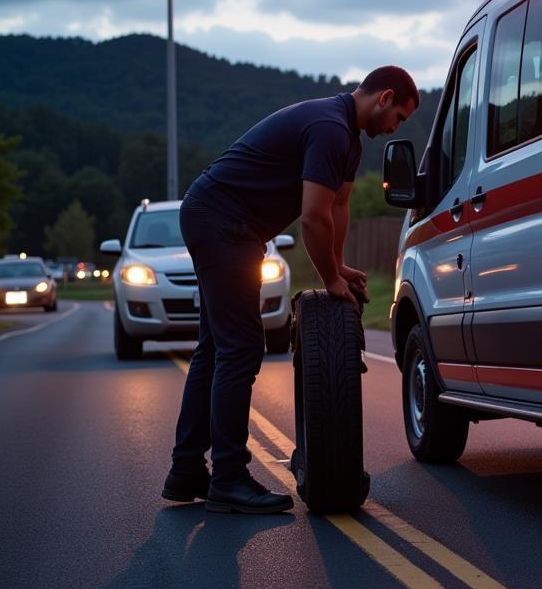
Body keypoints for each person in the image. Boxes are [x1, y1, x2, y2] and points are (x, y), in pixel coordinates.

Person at [162, 66, 419, 513]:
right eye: (399, 117)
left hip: (222, 221)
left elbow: (338, 208)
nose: (396, 127)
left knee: (215, 348)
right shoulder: (330, 129)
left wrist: (337, 265)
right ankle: (228, 478)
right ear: (385, 97)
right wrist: (331, 281)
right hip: (221, 220)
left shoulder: (348, 141)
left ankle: (186, 471)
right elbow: (312, 217)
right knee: (240, 348)